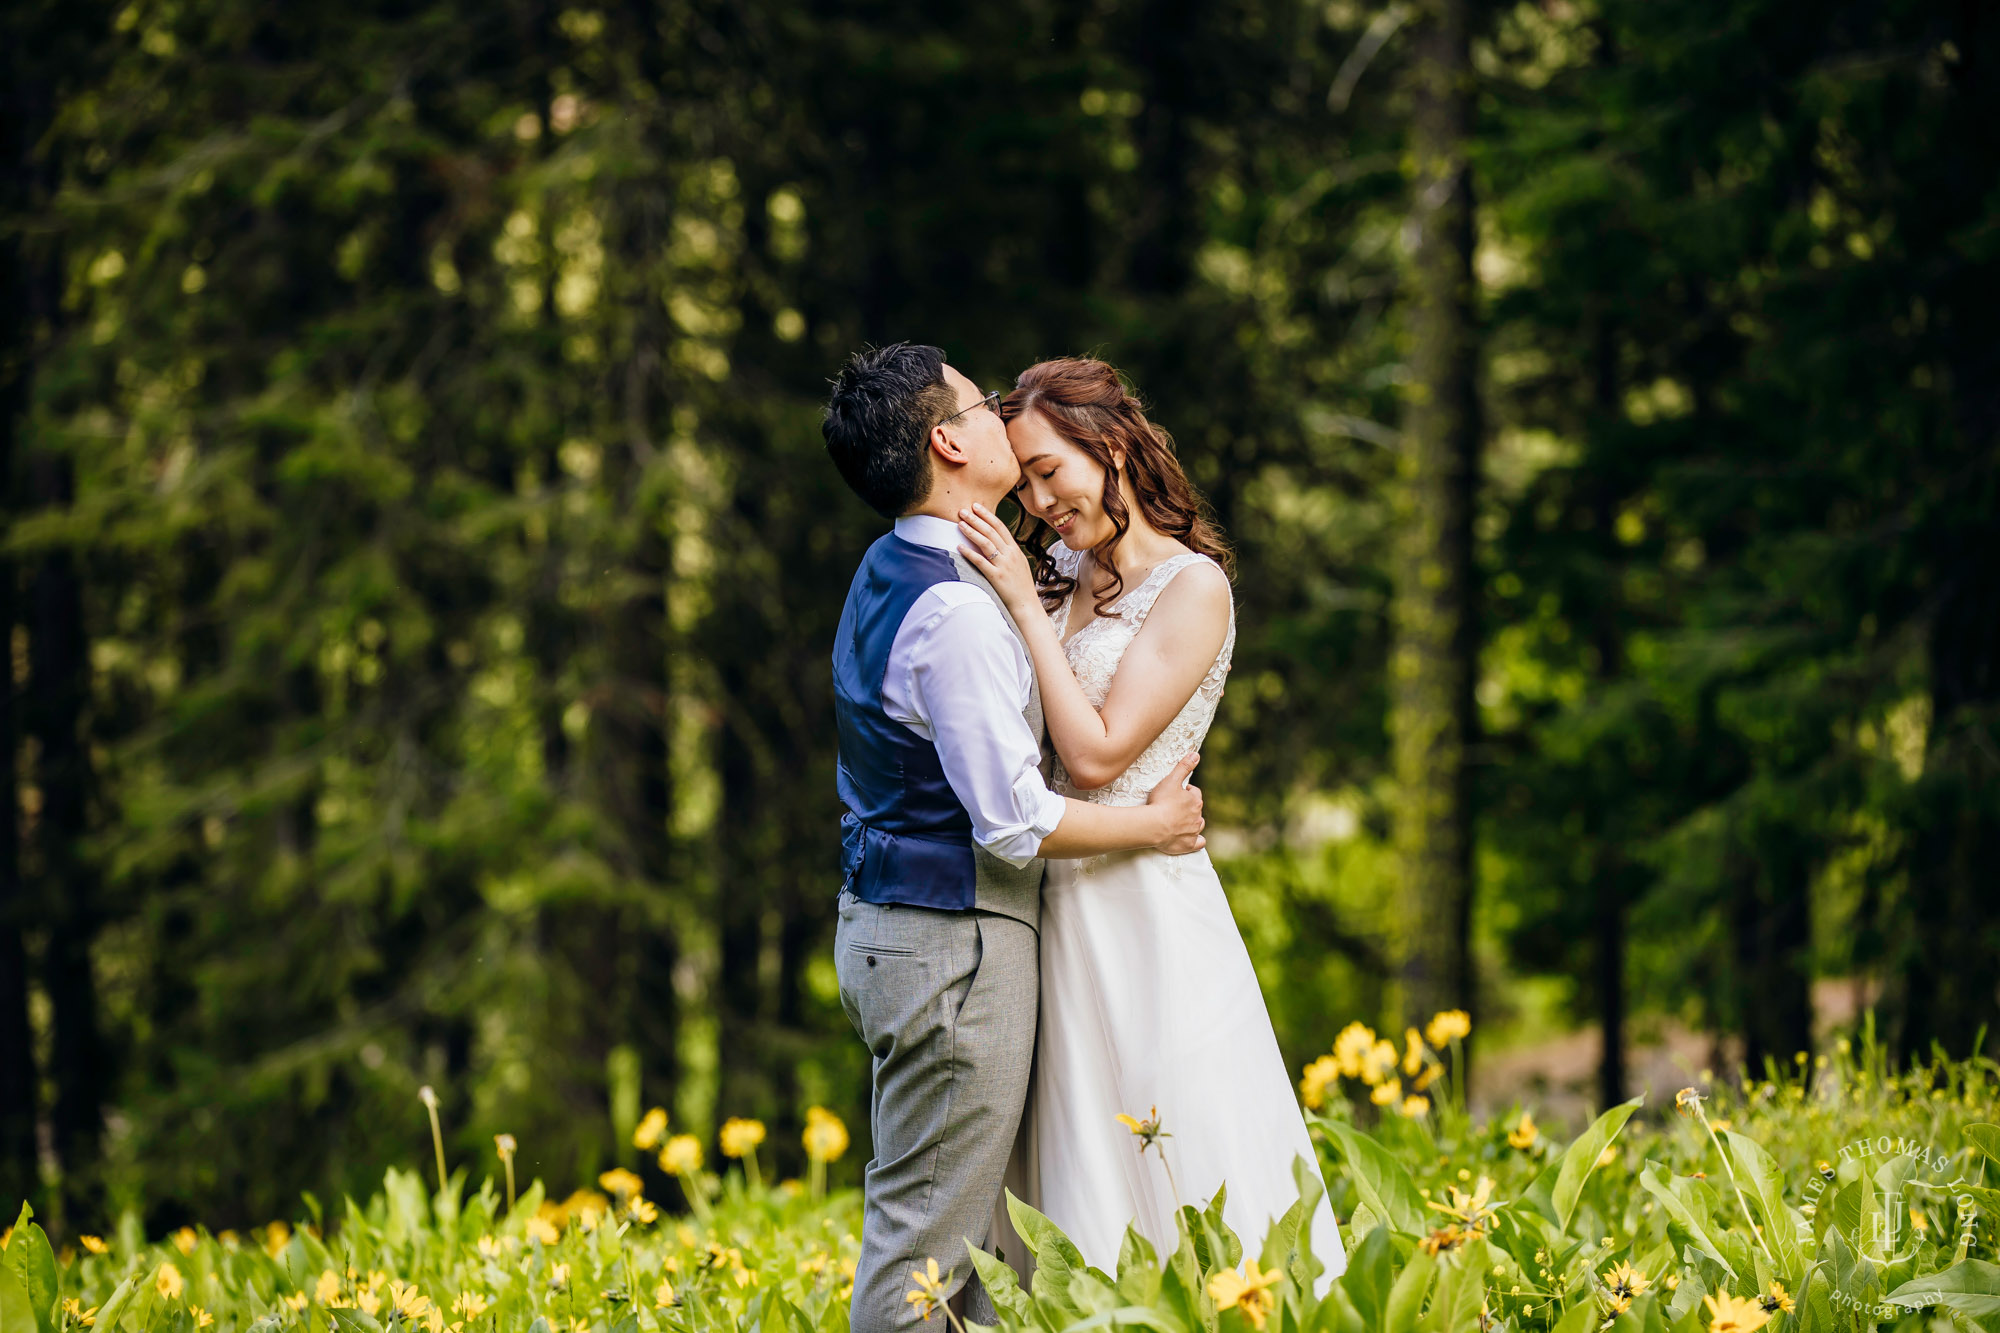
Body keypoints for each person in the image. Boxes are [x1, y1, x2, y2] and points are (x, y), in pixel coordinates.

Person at [821, 343, 1209, 1331]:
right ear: (949, 440)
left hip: (905, 927)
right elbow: (1011, 820)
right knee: (924, 1259)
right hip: (952, 946)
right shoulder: (951, 609)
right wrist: (1152, 823)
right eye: (980, 401)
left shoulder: (899, 567)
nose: (1001, 414)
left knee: (986, 1252)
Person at [954, 356, 1346, 1291]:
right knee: (1074, 1147)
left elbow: (1095, 755)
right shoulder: (1061, 575)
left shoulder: (1195, 587)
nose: (1041, 500)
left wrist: (1022, 600)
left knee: (1175, 1131)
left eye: (1052, 470)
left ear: (1113, 444)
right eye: (1029, 479)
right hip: (1051, 895)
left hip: (1145, 906)